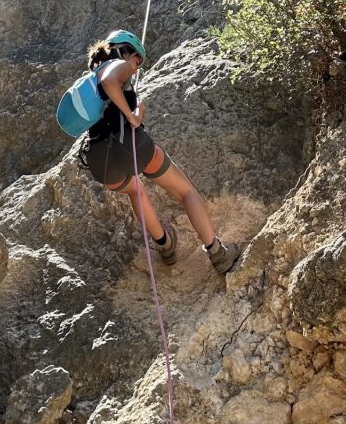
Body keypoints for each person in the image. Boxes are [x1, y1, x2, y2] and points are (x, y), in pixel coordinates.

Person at [80, 29, 241, 274]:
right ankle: (219, 255)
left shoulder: (89, 80)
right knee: (186, 192)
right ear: (125, 51)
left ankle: (165, 246)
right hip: (129, 144)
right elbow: (110, 82)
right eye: (136, 61)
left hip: (100, 162)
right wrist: (133, 116)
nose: (136, 68)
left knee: (136, 191)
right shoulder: (117, 65)